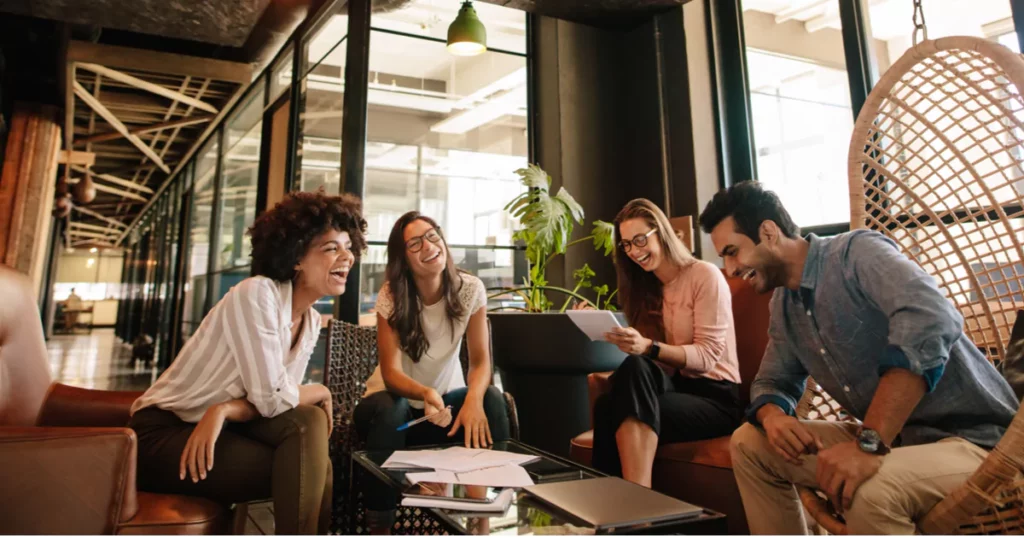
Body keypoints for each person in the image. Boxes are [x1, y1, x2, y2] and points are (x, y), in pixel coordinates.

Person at [698, 180, 1019, 535]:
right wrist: (773, 416)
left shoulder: (855, 254)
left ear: (768, 232)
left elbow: (931, 317)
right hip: (898, 443)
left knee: (868, 491)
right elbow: (773, 381)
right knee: (749, 443)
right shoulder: (784, 305)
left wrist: (868, 444)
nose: (730, 269)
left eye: (732, 251)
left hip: (981, 445)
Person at [128, 191, 368, 535]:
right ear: (297, 257)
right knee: (309, 466)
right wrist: (321, 389)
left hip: (222, 426)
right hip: (162, 435)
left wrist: (224, 409)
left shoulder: (311, 321)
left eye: (349, 247)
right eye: (332, 247)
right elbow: (274, 398)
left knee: (309, 429)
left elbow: (278, 405)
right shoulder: (257, 293)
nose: (347, 256)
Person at [354, 211, 510, 531]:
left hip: (437, 415)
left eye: (432, 235)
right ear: (403, 258)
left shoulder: (470, 289)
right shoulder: (392, 296)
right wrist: (425, 392)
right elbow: (390, 373)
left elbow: (480, 361)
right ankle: (378, 523)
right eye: (415, 243)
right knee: (392, 406)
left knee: (492, 400)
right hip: (392, 420)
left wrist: (474, 400)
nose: (428, 245)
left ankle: (485, 516)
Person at [591, 198, 742, 488]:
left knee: (616, 402)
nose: (634, 252)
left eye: (639, 240)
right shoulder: (646, 288)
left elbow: (707, 357)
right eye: (626, 245)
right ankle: (616, 512)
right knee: (619, 388)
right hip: (677, 388)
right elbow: (655, 364)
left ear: (661, 233)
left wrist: (648, 347)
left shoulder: (704, 275)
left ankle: (636, 505)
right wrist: (615, 334)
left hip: (717, 400)